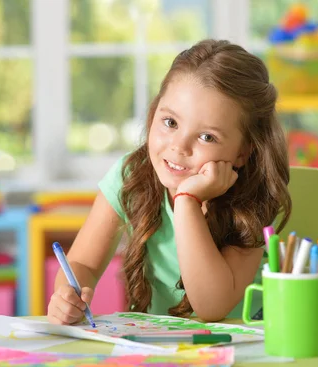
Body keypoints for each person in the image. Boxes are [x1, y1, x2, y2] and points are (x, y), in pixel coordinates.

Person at [47, 39, 292, 324]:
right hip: (165, 348)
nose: (179, 146)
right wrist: (67, 294)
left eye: (207, 137)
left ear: (243, 152)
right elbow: (83, 264)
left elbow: (211, 309)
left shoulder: (252, 199)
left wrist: (187, 202)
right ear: (154, 112)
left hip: (246, 348)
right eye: (170, 123)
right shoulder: (131, 176)